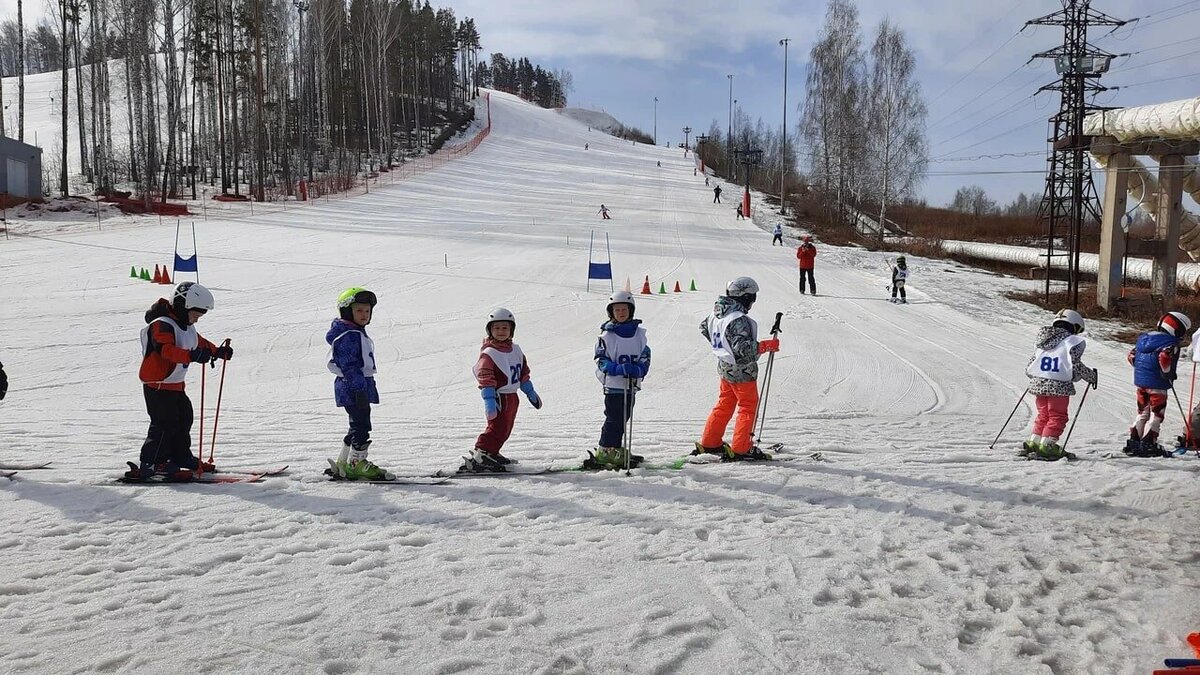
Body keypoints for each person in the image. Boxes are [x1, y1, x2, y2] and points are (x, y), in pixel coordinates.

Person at [126, 281, 233, 481]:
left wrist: (217, 352)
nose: (196, 320)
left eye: (199, 316)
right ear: (183, 306)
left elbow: (198, 342)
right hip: (157, 386)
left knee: (184, 418)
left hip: (175, 386)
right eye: (195, 315)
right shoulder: (161, 324)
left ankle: (181, 456)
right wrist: (192, 356)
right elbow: (166, 350)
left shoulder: (186, 326)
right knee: (164, 424)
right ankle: (152, 463)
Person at [696, 277, 775, 461]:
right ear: (745, 297)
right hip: (742, 372)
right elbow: (743, 350)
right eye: (752, 298)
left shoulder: (717, 313)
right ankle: (742, 448)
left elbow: (703, 327)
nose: (753, 303)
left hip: (725, 368)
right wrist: (765, 346)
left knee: (724, 404)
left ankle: (710, 442)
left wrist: (723, 347)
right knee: (747, 408)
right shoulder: (738, 319)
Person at [464, 308, 543, 472]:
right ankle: (481, 453)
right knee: (497, 427)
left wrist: (530, 391)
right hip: (499, 397)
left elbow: (523, 372)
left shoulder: (516, 350)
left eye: (505, 328)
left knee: (506, 428)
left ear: (511, 330)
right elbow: (485, 377)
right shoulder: (489, 353)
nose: (501, 331)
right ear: (490, 330)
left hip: (512, 396)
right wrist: (490, 401)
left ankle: (492, 452)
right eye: (497, 328)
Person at [326, 287, 393, 480]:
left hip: (357, 384)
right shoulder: (348, 336)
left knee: (356, 424)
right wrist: (359, 389)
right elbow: (349, 364)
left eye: (367, 311)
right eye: (359, 310)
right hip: (353, 386)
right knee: (362, 425)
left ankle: (344, 461)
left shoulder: (354, 332)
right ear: (348, 312)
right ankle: (357, 463)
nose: (364, 315)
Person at [585, 291, 651, 470]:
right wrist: (616, 369)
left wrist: (640, 369)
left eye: (624, 309)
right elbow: (601, 359)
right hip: (614, 385)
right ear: (611, 312)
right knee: (614, 418)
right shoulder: (606, 336)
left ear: (631, 310)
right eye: (617, 310)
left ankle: (614, 447)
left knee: (624, 417)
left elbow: (645, 354)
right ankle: (605, 449)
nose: (621, 313)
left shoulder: (639, 334)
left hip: (630, 384)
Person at [1022, 309, 1098, 460]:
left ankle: (1033, 441)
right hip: (1059, 387)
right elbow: (1074, 366)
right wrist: (1091, 376)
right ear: (1073, 326)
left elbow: (1031, 365)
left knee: (1043, 415)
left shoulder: (1042, 341)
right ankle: (1048, 444)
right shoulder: (1071, 342)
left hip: (1039, 384)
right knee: (1057, 416)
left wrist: (1039, 377)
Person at [1125, 311, 1191, 456]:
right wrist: (1167, 373)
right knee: (1157, 414)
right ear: (1176, 328)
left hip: (1141, 383)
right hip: (1158, 385)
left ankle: (1134, 440)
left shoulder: (1144, 338)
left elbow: (1131, 356)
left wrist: (1143, 369)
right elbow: (1164, 357)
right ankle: (1149, 442)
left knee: (1143, 412)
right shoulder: (1170, 343)